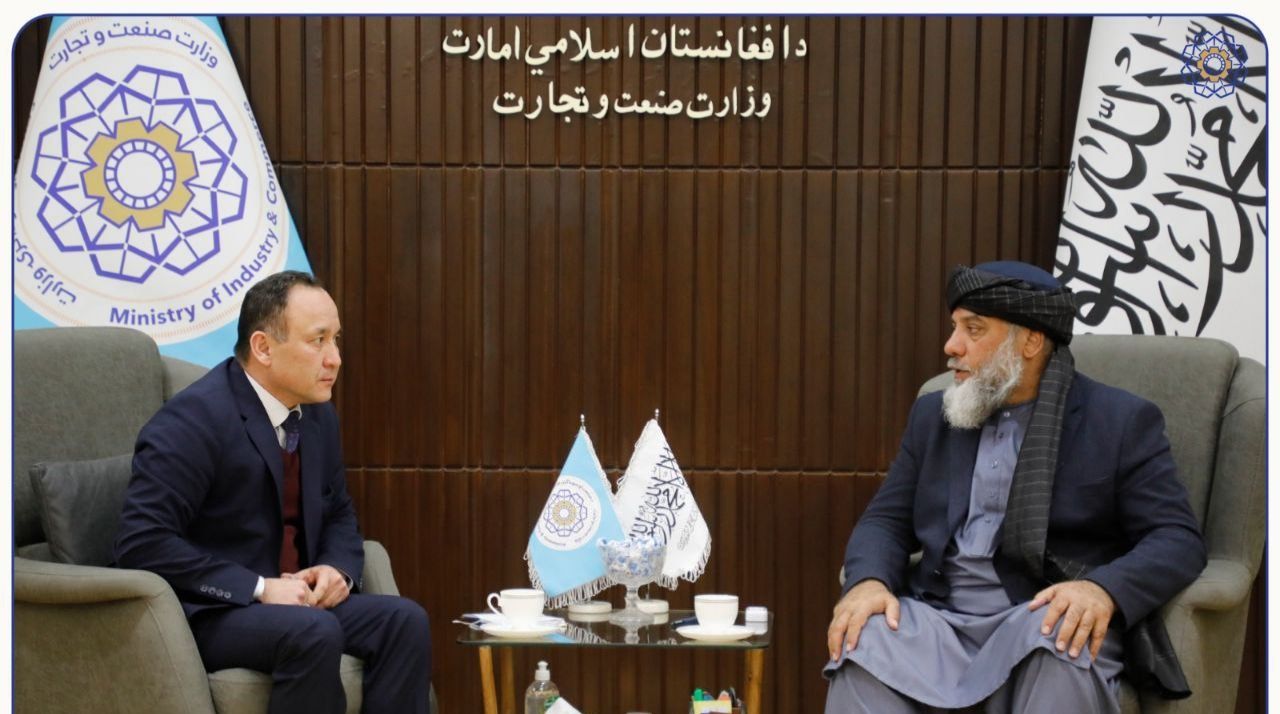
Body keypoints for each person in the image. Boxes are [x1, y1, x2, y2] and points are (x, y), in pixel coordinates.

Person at [824, 261, 1205, 713]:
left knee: (1060, 640)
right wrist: (868, 583)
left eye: (974, 329)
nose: (952, 345)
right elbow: (886, 521)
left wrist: (1100, 590)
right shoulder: (934, 415)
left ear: (1030, 342)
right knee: (861, 639)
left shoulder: (1119, 421)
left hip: (1036, 616)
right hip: (938, 622)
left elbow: (1176, 539)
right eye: (954, 327)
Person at [115, 270, 431, 714]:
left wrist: (337, 569)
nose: (335, 359)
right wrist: (260, 588)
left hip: (296, 602)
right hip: (212, 610)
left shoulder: (317, 414)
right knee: (313, 631)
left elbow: (338, 510)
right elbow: (142, 543)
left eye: (336, 340)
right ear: (263, 347)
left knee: (405, 621)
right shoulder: (192, 421)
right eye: (318, 341)